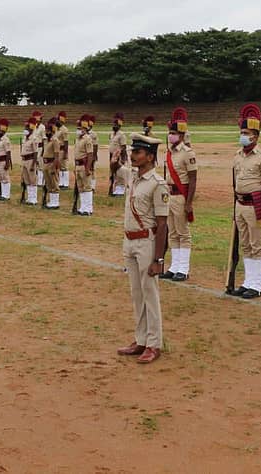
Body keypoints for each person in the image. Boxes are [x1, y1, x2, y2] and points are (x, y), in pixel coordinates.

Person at [114, 133, 169, 364]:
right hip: (129, 241)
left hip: (147, 242)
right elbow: (116, 169)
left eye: (137, 152)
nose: (132, 155)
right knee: (136, 294)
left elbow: (163, 224)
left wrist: (159, 259)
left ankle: (154, 343)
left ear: (149, 156)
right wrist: (115, 156)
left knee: (150, 294)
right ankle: (141, 339)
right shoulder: (133, 178)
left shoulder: (158, 184)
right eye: (132, 151)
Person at [228, 104, 261, 297]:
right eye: (241, 132)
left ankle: (257, 285)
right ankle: (248, 281)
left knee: (256, 245)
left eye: (246, 132)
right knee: (245, 244)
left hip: (254, 205)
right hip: (240, 204)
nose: (242, 135)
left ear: (255, 135)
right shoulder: (238, 155)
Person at [160, 107, 197, 281]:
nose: (171, 135)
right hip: (169, 195)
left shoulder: (187, 153)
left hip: (181, 196)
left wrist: (189, 202)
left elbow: (193, 179)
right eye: (170, 132)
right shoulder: (170, 152)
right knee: (172, 232)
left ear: (181, 135)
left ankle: (183, 268)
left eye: (174, 133)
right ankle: (174, 266)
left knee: (183, 232)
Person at [74, 114, 96, 215]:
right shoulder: (78, 139)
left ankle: (88, 208)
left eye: (80, 128)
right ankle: (83, 207)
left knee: (87, 187)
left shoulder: (87, 139)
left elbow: (90, 155)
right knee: (81, 187)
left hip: (84, 165)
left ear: (84, 128)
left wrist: (88, 168)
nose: (78, 130)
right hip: (78, 165)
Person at [42, 117, 61, 209]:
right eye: (46, 130)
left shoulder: (55, 140)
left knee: (54, 183)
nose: (46, 132)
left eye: (48, 130)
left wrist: (54, 166)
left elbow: (57, 155)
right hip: (46, 164)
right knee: (49, 184)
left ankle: (55, 202)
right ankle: (51, 201)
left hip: (52, 163)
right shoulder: (47, 140)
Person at [108, 113, 128, 196]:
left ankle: (120, 190)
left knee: (120, 173)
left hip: (118, 156)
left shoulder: (121, 135)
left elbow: (123, 147)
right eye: (113, 124)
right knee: (112, 173)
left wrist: (123, 159)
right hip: (111, 156)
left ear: (119, 126)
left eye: (116, 124)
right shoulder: (111, 134)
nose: (114, 125)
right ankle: (113, 189)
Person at [21, 116, 39, 205]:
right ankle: (29, 198)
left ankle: (34, 199)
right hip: (24, 160)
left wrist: (33, 164)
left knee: (33, 180)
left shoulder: (34, 138)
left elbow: (36, 152)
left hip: (30, 160)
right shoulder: (25, 138)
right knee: (27, 180)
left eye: (26, 127)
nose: (25, 129)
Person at [0, 118, 13, 200]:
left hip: (3, 161)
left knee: (5, 178)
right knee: (1, 178)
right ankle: (2, 193)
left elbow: (8, 152)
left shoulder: (6, 140)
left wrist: (7, 163)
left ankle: (6, 195)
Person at [56, 111, 70, 188]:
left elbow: (66, 142)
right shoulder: (57, 129)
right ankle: (61, 183)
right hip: (57, 150)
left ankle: (66, 183)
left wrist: (65, 153)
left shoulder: (64, 129)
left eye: (58, 120)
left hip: (62, 150)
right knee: (60, 167)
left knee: (64, 167)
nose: (56, 121)